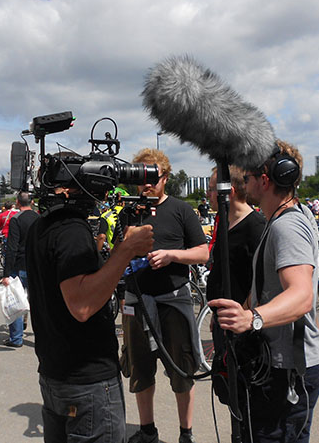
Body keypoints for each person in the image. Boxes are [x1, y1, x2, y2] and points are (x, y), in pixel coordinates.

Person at [208, 140, 319, 443]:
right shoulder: (281, 219)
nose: (243, 183)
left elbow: (301, 295)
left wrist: (252, 319)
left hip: (287, 370)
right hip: (282, 364)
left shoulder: (286, 227)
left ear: (264, 180)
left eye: (247, 177)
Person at [26, 183, 154, 443]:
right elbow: (82, 306)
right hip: (87, 383)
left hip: (55, 374)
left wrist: (118, 249)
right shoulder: (72, 230)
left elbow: (80, 276)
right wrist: (128, 249)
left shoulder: (42, 225)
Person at [120, 148, 209, 443]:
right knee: (139, 370)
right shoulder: (129, 212)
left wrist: (172, 255)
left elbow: (203, 252)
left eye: (152, 178)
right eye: (141, 178)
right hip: (137, 300)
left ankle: (186, 433)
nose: (146, 184)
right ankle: (147, 431)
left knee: (182, 369)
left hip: (173, 299)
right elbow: (118, 255)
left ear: (166, 178)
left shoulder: (181, 210)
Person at [205, 165, 265, 360]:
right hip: (224, 321)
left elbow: (260, 282)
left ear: (229, 192)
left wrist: (241, 316)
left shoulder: (255, 228)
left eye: (211, 189)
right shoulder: (225, 223)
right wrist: (216, 315)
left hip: (241, 326)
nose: (208, 195)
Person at [1, 192, 39, 348]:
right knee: (38, 303)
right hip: (36, 266)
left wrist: (6, 273)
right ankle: (42, 337)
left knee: (16, 302)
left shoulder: (16, 219)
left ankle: (16, 338)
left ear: (17, 202)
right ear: (32, 202)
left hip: (20, 266)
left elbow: (12, 248)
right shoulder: (39, 218)